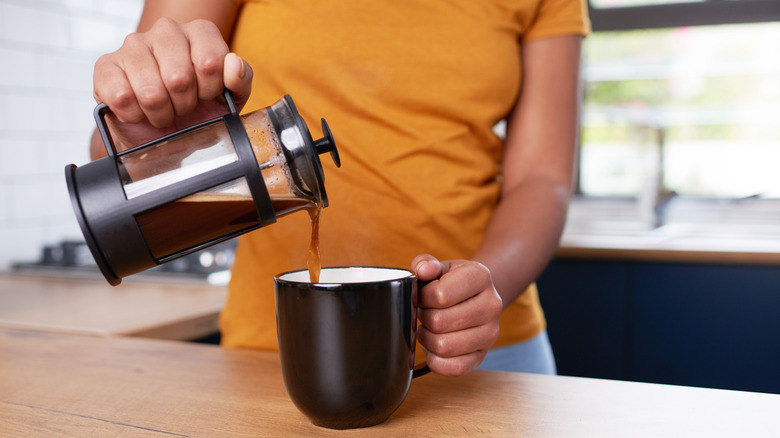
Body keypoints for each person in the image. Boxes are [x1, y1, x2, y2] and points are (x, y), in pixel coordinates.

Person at [91, 0, 590, 377]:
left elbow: (542, 179)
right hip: (277, 354)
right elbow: (108, 154)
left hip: (480, 351)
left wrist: (484, 289)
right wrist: (148, 128)